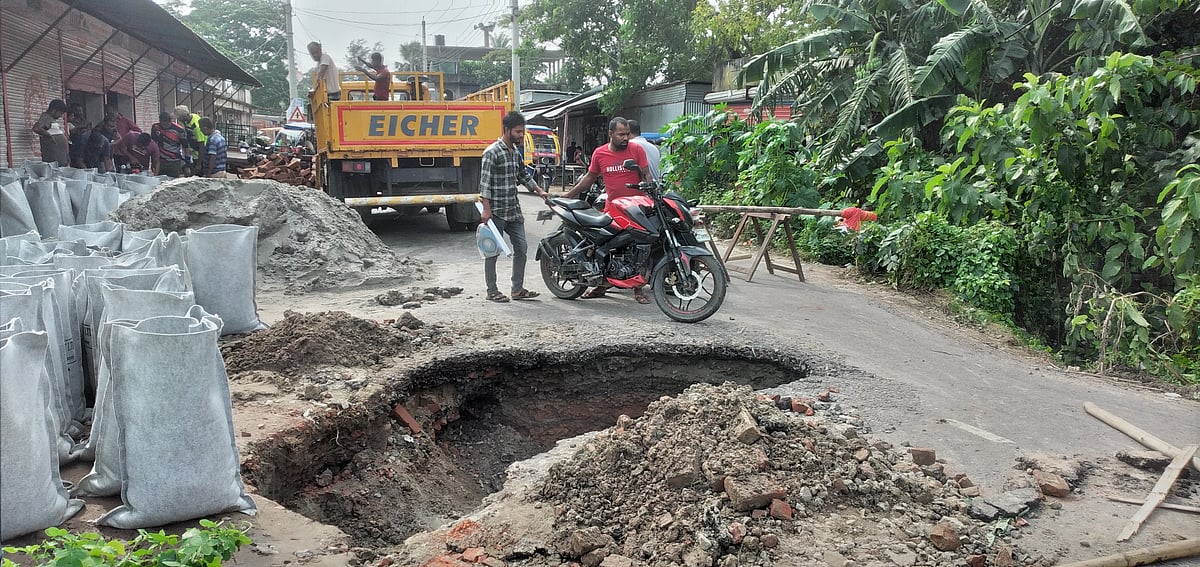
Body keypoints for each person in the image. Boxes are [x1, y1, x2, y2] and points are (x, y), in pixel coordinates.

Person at [561, 116, 651, 304]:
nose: (626, 138)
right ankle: (600, 285)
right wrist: (570, 194)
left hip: (636, 208)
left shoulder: (637, 150)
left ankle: (638, 289)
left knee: (637, 248)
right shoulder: (600, 153)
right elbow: (589, 178)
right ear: (610, 134)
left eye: (627, 134)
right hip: (612, 208)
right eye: (621, 135)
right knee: (602, 246)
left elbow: (646, 175)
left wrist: (651, 193)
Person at [479, 110, 550, 303]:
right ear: (507, 130)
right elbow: (484, 184)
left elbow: (523, 175)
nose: (521, 135)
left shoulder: (513, 152)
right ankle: (491, 291)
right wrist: (486, 210)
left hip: (514, 211)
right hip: (496, 212)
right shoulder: (492, 152)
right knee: (492, 252)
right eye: (518, 132)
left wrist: (539, 191)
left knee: (522, 248)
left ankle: (517, 290)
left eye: (522, 132)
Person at [33, 99, 70, 165]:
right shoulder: (45, 117)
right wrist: (48, 135)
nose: (61, 116)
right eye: (60, 113)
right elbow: (36, 128)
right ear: (53, 110)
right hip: (53, 157)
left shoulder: (51, 119)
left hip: (59, 157)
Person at [151, 111, 187, 178]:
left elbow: (185, 147)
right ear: (160, 121)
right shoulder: (155, 127)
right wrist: (153, 161)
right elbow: (153, 145)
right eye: (163, 123)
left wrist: (186, 163)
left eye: (167, 123)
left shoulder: (179, 130)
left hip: (174, 161)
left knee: (173, 182)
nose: (165, 126)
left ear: (170, 121)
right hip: (160, 161)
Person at [175, 105, 206, 175]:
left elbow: (202, 145)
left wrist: (199, 164)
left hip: (200, 156)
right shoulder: (188, 120)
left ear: (186, 116)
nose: (179, 120)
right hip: (193, 153)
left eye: (180, 118)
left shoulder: (197, 126)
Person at [67, 103, 92, 169]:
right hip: (74, 146)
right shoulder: (70, 122)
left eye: (80, 110)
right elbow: (74, 131)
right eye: (77, 110)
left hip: (85, 146)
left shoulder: (86, 121)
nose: (79, 112)